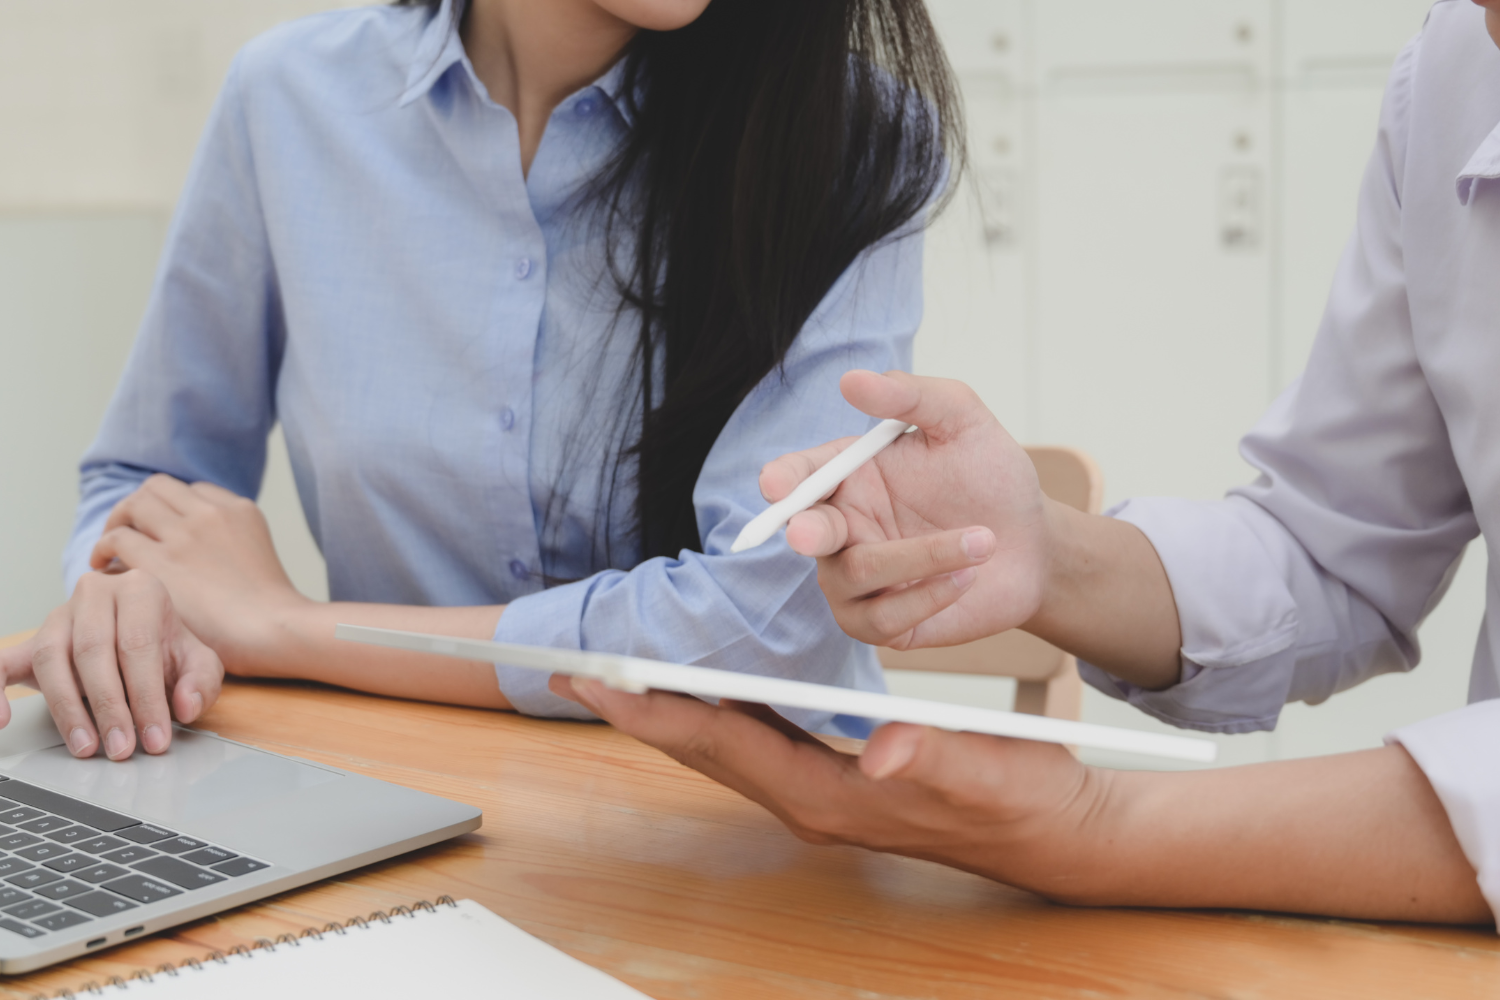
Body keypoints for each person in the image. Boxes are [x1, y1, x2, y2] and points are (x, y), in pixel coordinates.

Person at [552, 0, 1500, 927]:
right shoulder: (1460, 62)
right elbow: (1335, 557)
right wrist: (1046, 553)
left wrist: (1098, 829)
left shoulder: (855, 134)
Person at [0, 0, 961, 759]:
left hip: (756, 850)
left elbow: (766, 629)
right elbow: (144, 485)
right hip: (397, 806)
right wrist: (133, 611)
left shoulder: (853, 138)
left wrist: (292, 629)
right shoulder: (288, 99)